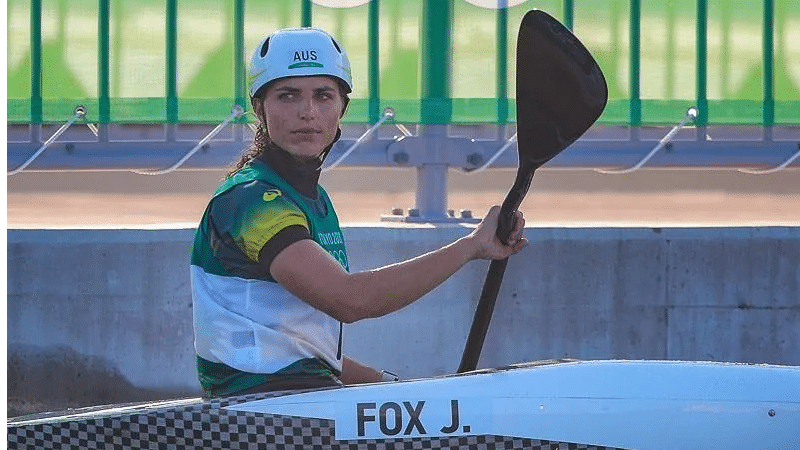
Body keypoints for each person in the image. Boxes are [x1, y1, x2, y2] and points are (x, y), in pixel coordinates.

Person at [190, 27, 528, 398]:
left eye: (323, 96)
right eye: (288, 96)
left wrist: (392, 387)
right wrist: (470, 247)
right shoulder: (251, 199)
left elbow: (306, 353)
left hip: (297, 401)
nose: (308, 113)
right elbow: (351, 300)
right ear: (259, 107)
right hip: (258, 418)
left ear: (342, 108)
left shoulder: (311, 199)